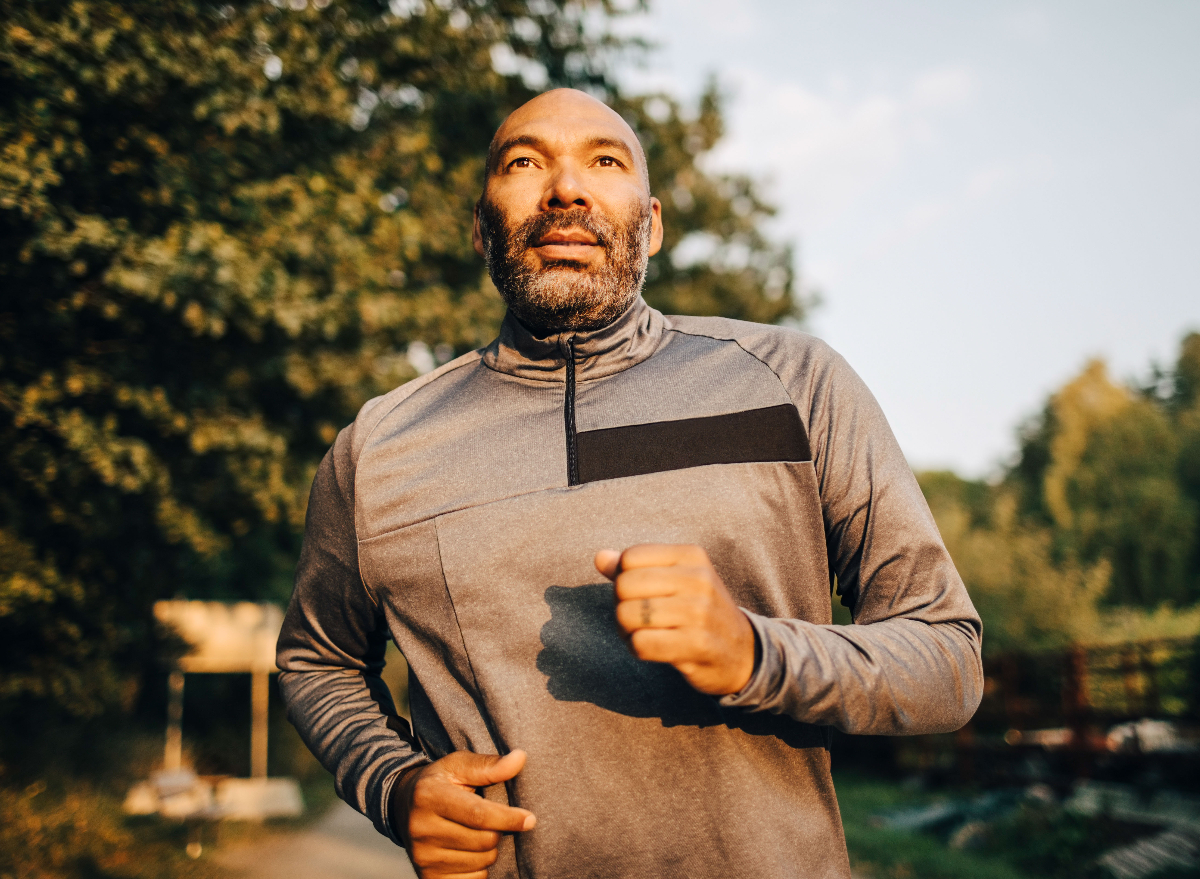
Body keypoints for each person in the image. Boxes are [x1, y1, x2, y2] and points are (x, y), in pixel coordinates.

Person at [277, 88, 983, 879]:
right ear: (481, 228)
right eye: (524, 162)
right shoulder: (378, 448)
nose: (566, 188)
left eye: (603, 160)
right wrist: (395, 783)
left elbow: (946, 660)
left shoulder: (794, 381)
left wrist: (755, 652)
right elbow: (317, 660)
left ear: (650, 225)